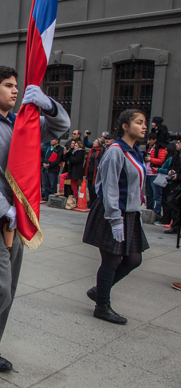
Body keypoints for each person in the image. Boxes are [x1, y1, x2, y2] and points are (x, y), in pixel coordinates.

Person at [0, 66, 70, 372]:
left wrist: (49, 105)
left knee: (9, 287)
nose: (16, 91)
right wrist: (1, 209)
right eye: (8, 85)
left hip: (13, 218)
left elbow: (60, 128)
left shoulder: (21, 122)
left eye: (17, 86)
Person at [82, 109, 149, 324]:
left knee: (133, 259)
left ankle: (99, 291)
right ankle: (102, 306)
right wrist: (115, 219)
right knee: (111, 261)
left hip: (129, 212)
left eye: (144, 123)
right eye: (139, 122)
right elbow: (108, 187)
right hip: (113, 212)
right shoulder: (115, 151)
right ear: (125, 126)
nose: (144, 127)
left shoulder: (134, 150)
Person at [144, 132, 167, 217]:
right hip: (148, 174)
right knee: (149, 195)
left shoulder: (161, 149)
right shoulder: (148, 148)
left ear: (155, 140)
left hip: (155, 174)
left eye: (150, 140)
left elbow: (161, 161)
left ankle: (157, 213)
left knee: (157, 195)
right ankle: (149, 212)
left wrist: (150, 159)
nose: (149, 141)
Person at [83, 138, 103, 206]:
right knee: (89, 187)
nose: (94, 143)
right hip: (90, 171)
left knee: (93, 188)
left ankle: (94, 201)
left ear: (99, 144)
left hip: (95, 172)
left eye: (96, 142)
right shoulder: (92, 150)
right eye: (94, 141)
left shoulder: (100, 151)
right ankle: (91, 200)